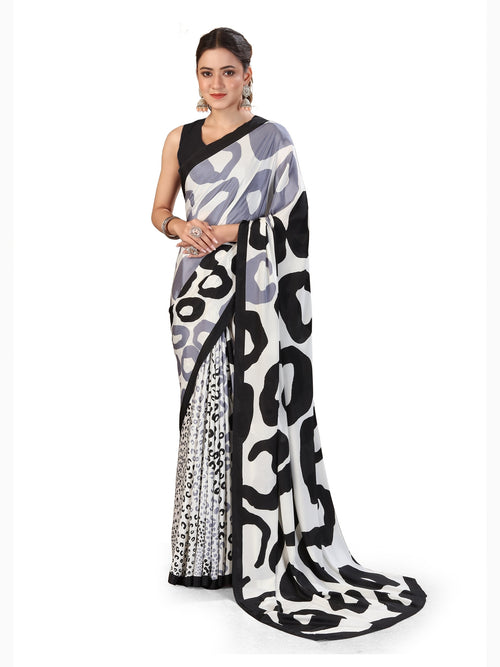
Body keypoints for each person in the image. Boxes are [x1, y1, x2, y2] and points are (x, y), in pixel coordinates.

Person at [151, 26, 427, 642]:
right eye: (207, 72)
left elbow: (291, 222)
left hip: (255, 291)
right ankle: (205, 553)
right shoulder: (178, 139)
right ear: (196, 77)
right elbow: (158, 211)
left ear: (248, 74)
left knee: (254, 412)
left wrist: (228, 234)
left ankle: (259, 551)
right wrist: (181, 227)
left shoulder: (274, 141)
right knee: (206, 414)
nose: (217, 83)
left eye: (228, 71)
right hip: (196, 296)